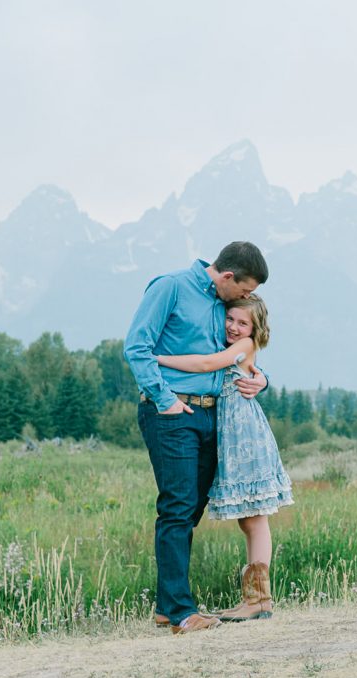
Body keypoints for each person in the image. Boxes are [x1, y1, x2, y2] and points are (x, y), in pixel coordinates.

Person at [124, 241, 269, 635]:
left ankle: (165, 606)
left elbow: (239, 350)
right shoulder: (169, 287)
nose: (248, 297)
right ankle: (180, 612)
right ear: (226, 276)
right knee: (177, 505)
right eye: (244, 291)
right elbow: (136, 346)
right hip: (173, 412)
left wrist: (261, 379)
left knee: (192, 507)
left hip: (213, 414)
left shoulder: (222, 301)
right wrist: (164, 399)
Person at [156, 294, 293, 622]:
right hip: (231, 435)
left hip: (244, 435)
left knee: (255, 516)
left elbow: (206, 365)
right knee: (248, 519)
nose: (233, 326)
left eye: (242, 322)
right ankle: (255, 600)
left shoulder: (243, 345)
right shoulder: (236, 345)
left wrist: (159, 359)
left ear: (254, 328)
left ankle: (259, 600)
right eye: (229, 319)